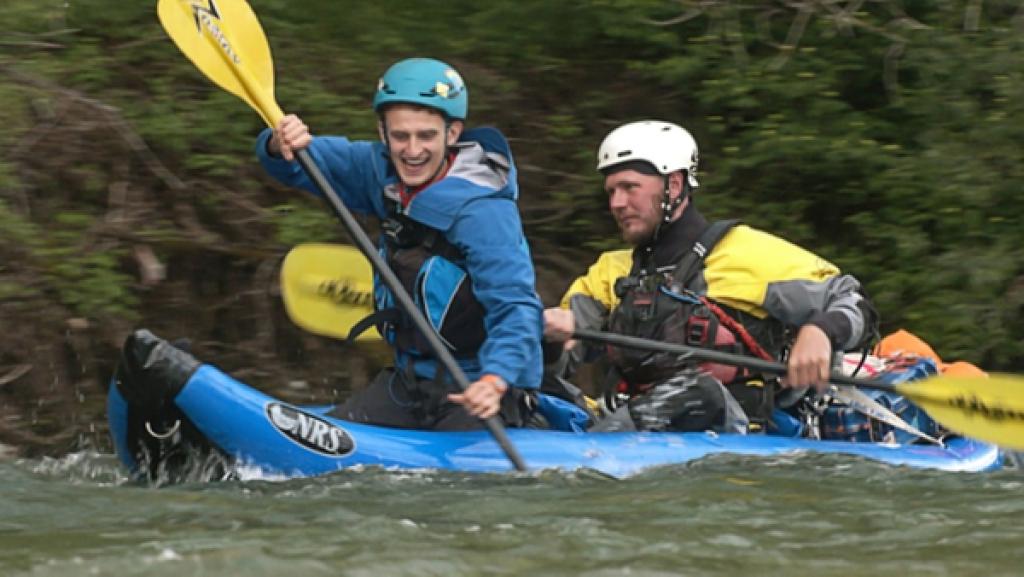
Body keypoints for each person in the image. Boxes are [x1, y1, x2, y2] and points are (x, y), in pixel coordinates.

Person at [257, 58, 543, 431]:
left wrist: (495, 379)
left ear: (452, 134)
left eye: (426, 136)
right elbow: (300, 163)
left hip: (481, 388)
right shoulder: (380, 171)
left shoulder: (484, 212)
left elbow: (517, 307)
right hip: (411, 383)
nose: (412, 150)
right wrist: (279, 143)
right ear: (383, 132)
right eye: (400, 136)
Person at [544, 120, 878, 433]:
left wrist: (822, 330)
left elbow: (853, 300)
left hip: (736, 429)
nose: (617, 203)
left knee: (698, 392)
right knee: (528, 384)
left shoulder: (745, 253)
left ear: (674, 185)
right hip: (630, 425)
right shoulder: (608, 272)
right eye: (611, 191)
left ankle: (606, 442)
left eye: (630, 187)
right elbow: (561, 363)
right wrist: (550, 339)